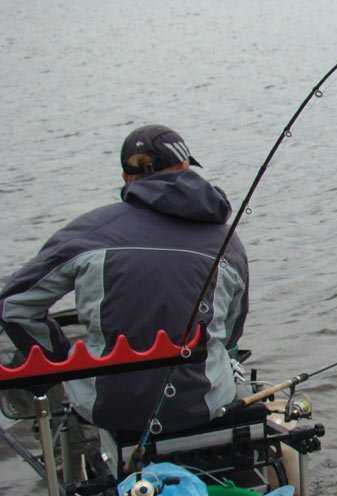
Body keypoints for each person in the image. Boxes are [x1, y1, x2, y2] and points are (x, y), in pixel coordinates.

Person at [0, 125, 249, 433]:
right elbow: (229, 336)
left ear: (126, 178)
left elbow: (13, 307)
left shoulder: (87, 232)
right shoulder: (228, 242)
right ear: (184, 167)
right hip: (203, 406)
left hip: (106, 411)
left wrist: (63, 360)